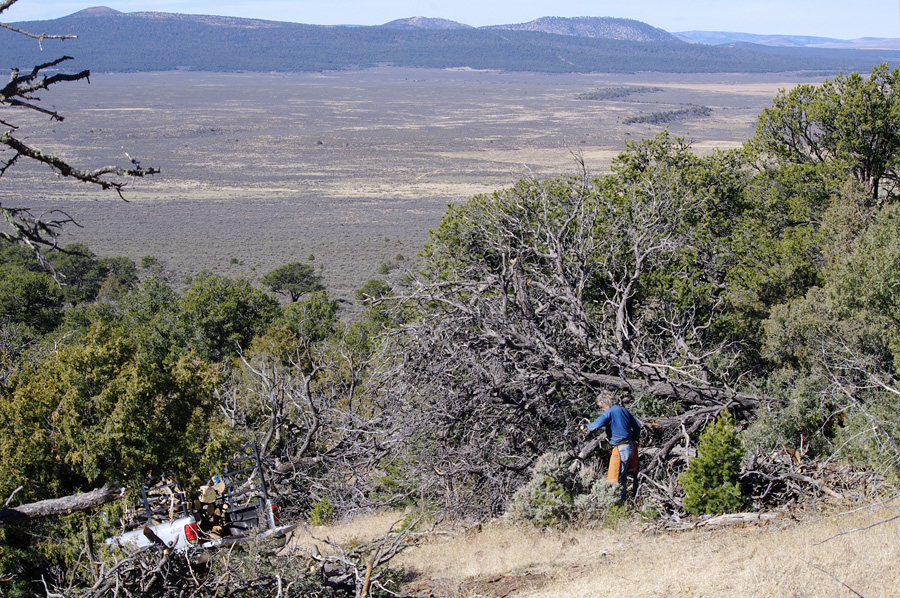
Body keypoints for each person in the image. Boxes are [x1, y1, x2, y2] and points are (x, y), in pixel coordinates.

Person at [580, 391, 641, 505]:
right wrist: (633, 437)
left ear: (606, 404)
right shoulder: (624, 410)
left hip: (620, 448)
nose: (602, 410)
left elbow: (597, 424)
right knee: (622, 476)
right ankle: (622, 503)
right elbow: (637, 426)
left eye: (602, 407)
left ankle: (614, 505)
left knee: (614, 478)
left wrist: (586, 428)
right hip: (630, 447)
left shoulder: (610, 412)